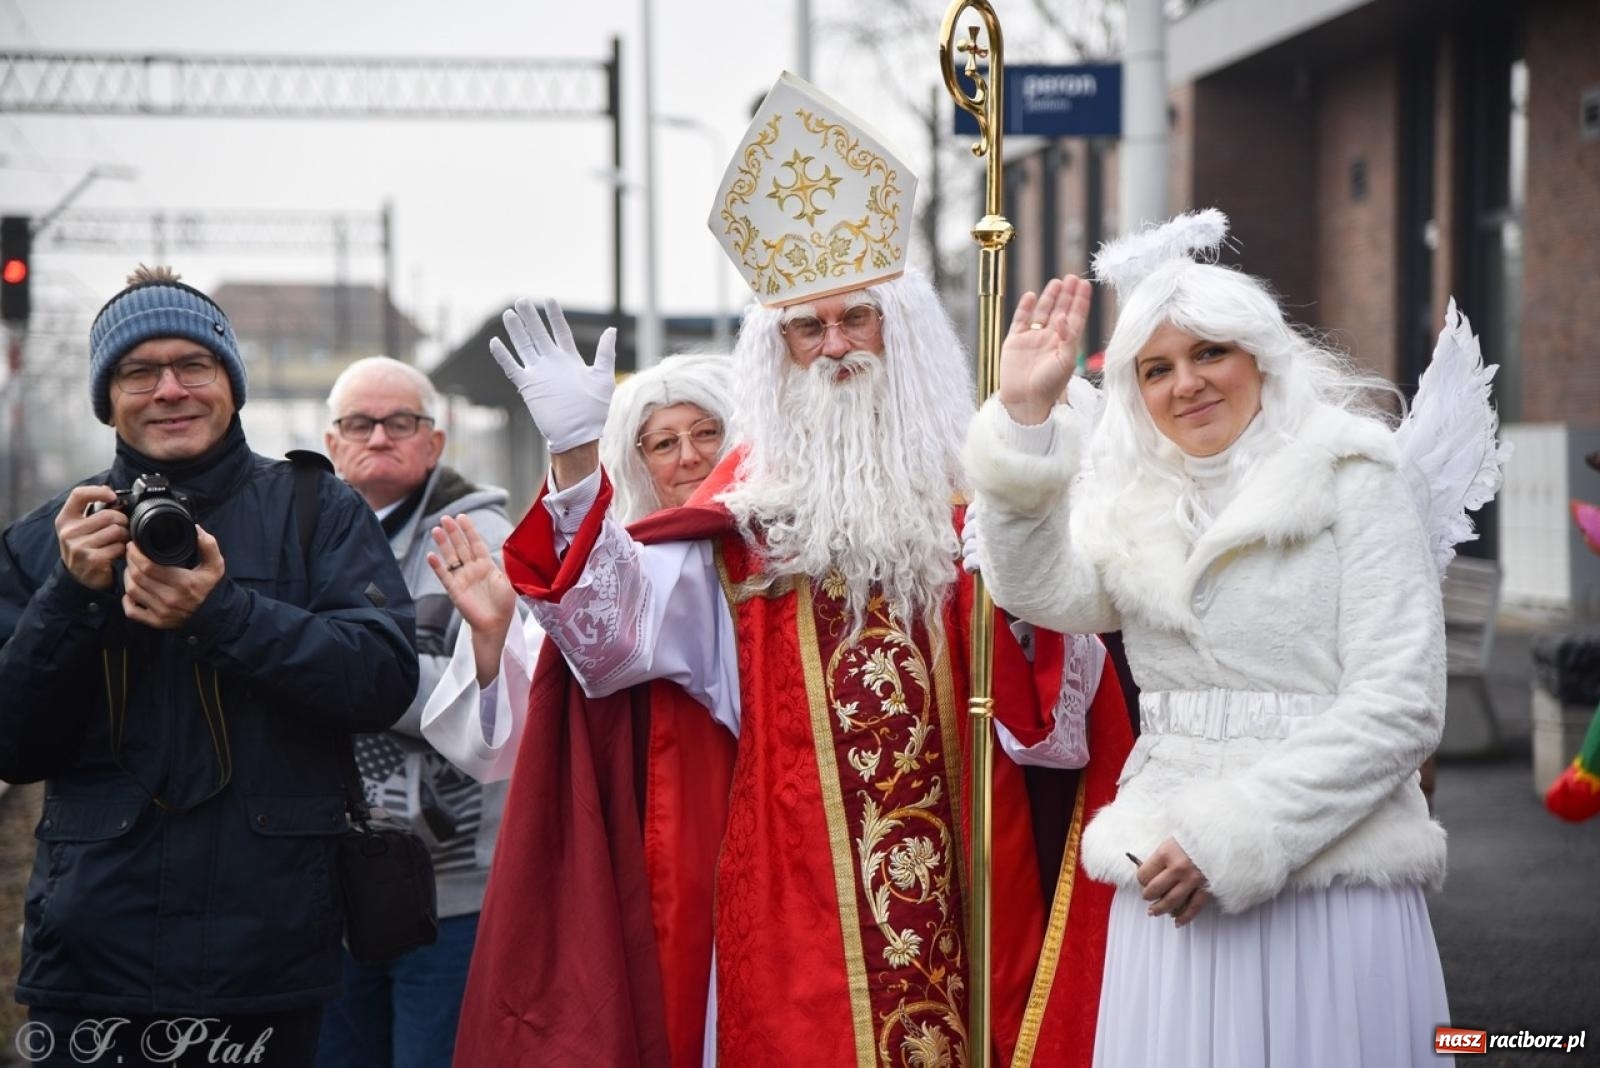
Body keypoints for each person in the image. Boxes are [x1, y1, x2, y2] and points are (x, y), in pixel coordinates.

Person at [447, 73, 1133, 1068]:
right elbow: (604, 646)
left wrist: (1023, 593)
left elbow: (1061, 729)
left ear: (904, 335)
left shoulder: (981, 501)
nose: (837, 348)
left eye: (857, 320)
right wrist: (570, 458)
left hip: (978, 883)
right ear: (776, 356)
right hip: (792, 906)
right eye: (808, 331)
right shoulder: (735, 533)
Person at [964, 210, 1466, 1066]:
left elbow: (1401, 707)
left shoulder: (1354, 475)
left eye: (1208, 354)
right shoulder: (1138, 501)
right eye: (1156, 369)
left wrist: (1233, 833)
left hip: (1328, 884)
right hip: (1171, 888)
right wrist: (1022, 418)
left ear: (1261, 357)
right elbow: (1039, 586)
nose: (1185, 384)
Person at [0, 266, 418, 1067]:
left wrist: (223, 614)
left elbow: (382, 678)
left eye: (194, 365)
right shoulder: (46, 540)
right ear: (107, 397)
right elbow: (12, 745)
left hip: (264, 958)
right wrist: (71, 596)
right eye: (138, 372)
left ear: (231, 382)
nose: (169, 390)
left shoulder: (317, 511)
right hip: (92, 958)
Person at [315, 356, 513, 1068]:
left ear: (435, 442)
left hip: (447, 890)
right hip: (319, 881)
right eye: (359, 424)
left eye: (401, 422)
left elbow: (491, 708)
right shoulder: (299, 537)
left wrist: (335, 668)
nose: (379, 437)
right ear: (332, 441)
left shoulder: (481, 544)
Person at [418, 352, 734, 784]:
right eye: (664, 443)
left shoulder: (788, 551)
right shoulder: (628, 564)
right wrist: (492, 638)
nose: (690, 456)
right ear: (637, 465)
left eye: (707, 432)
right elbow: (519, 728)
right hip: (664, 807)